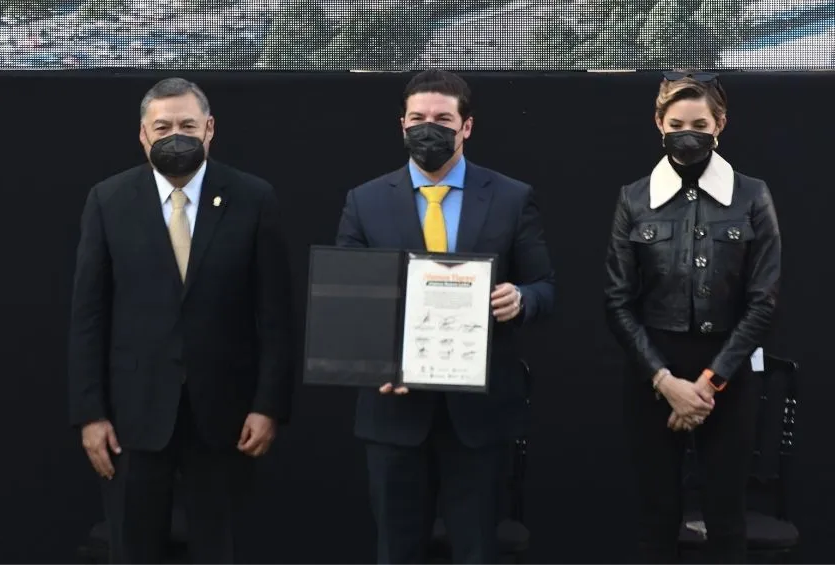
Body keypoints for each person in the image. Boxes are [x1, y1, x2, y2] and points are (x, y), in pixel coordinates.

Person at [67, 77, 294, 564]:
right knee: (133, 550)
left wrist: (268, 405)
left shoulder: (253, 199)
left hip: (226, 418)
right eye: (163, 126)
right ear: (143, 135)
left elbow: (276, 314)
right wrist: (90, 413)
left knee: (219, 550)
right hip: (132, 418)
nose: (176, 135)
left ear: (209, 129)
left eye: (188, 125)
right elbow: (88, 315)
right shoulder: (108, 200)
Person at [335, 69, 555, 564]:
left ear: (467, 126)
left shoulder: (511, 197)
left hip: (477, 417)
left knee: (477, 549)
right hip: (393, 411)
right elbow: (349, 301)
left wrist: (521, 299)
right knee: (396, 550)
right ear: (401, 124)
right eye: (417, 119)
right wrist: (376, 364)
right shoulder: (365, 201)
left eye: (441, 119)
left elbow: (546, 288)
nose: (427, 128)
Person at [604, 71, 781, 564]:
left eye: (699, 122)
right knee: (655, 519)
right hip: (651, 375)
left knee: (726, 520)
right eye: (677, 122)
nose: (689, 132)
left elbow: (764, 299)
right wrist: (665, 382)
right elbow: (617, 300)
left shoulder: (753, 195)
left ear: (719, 124)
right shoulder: (633, 198)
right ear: (659, 123)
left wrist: (709, 382)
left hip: (728, 375)